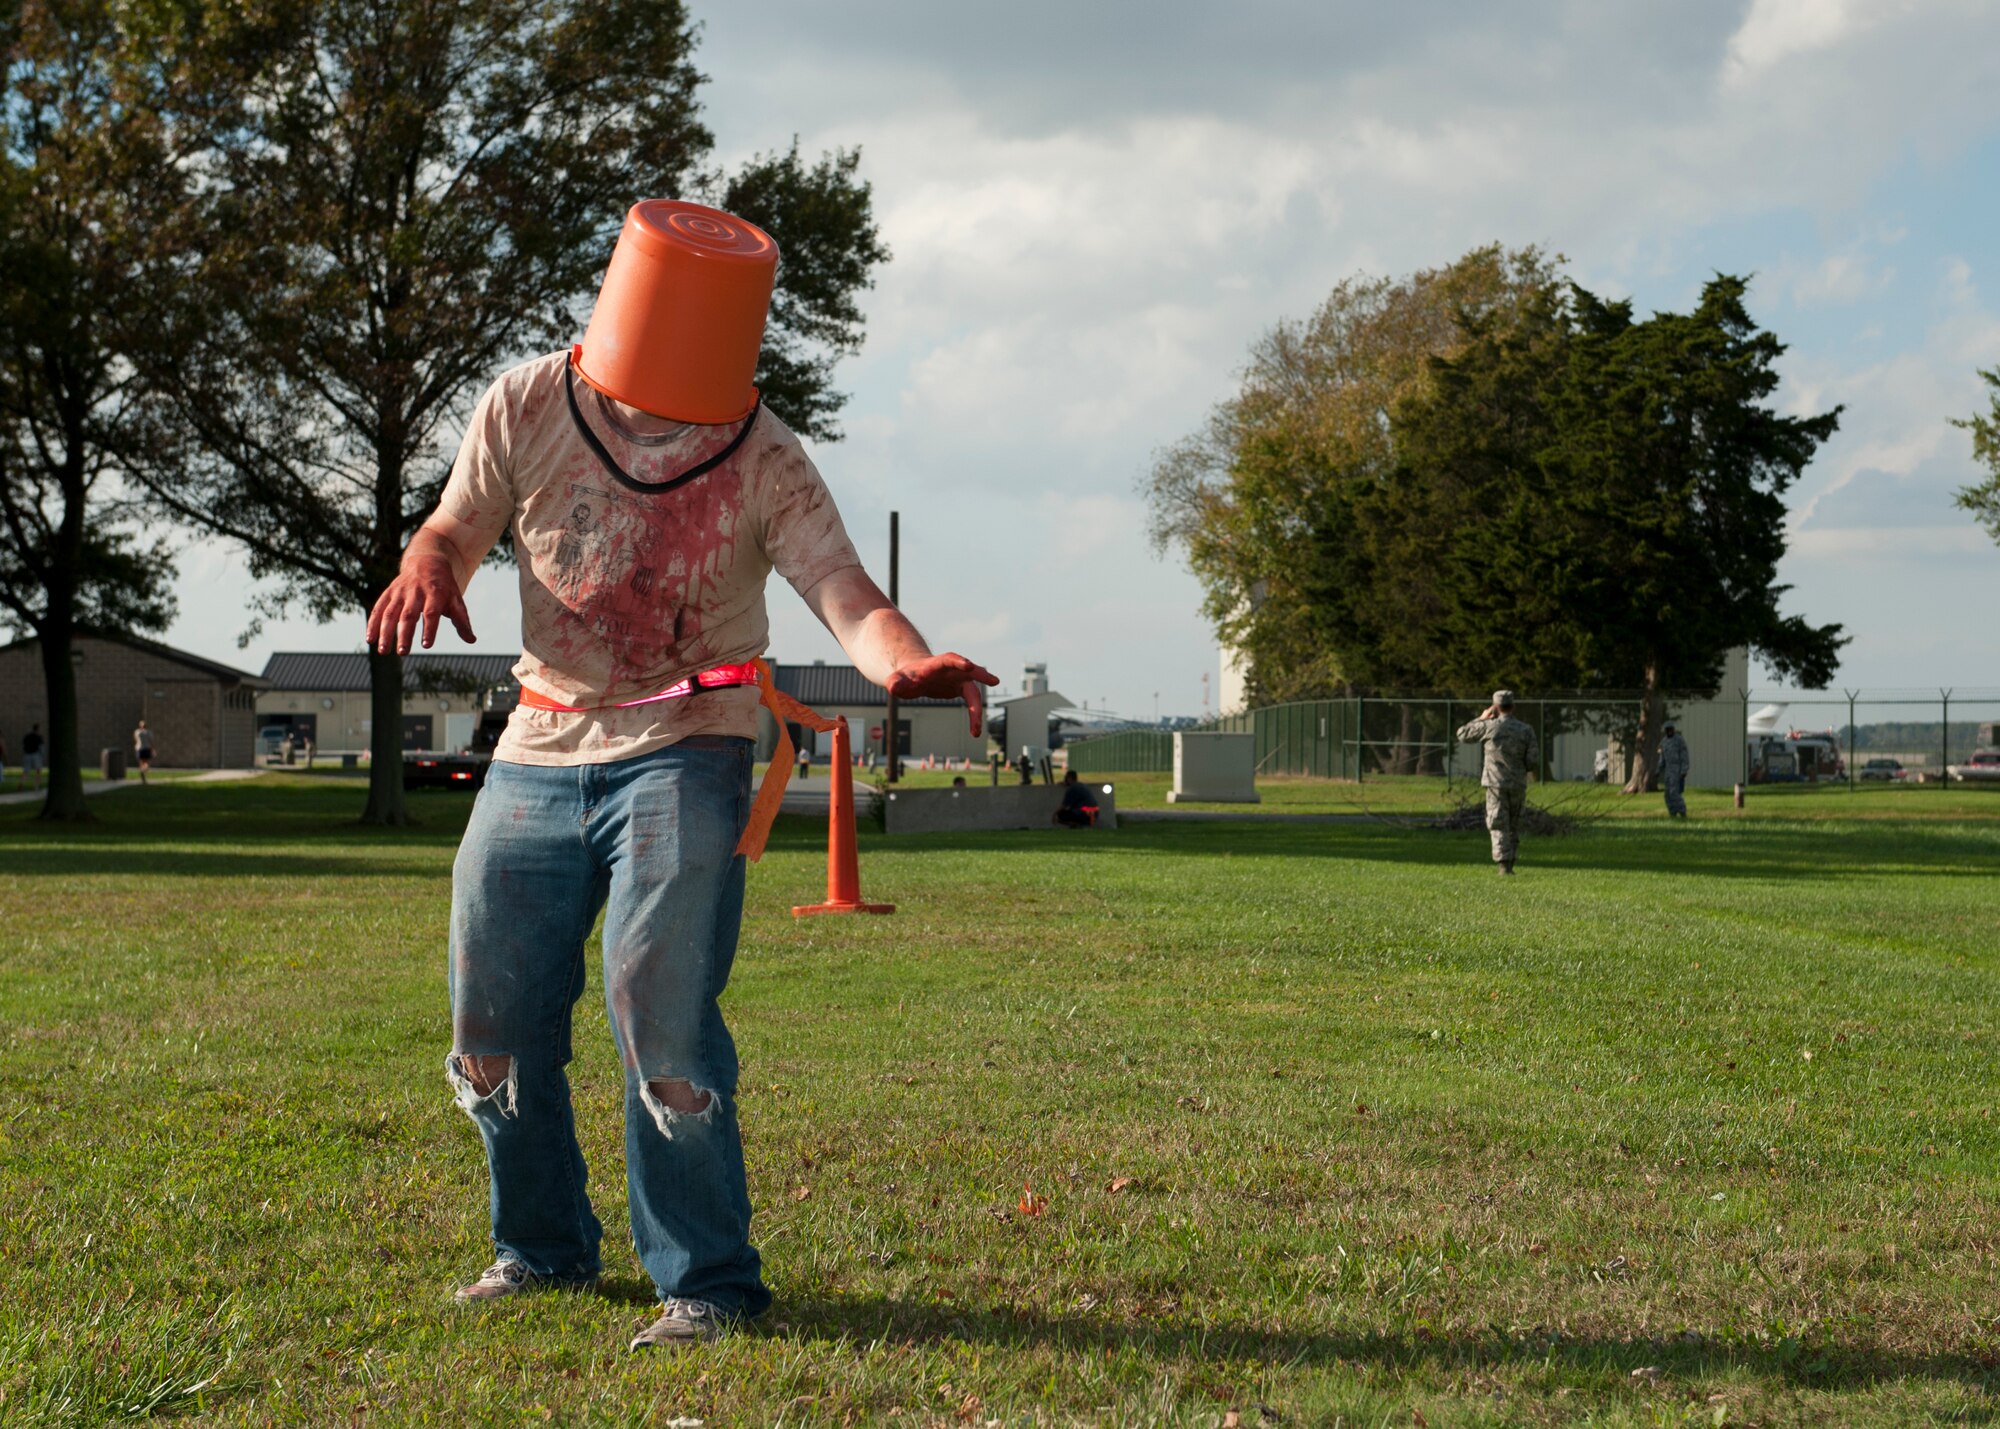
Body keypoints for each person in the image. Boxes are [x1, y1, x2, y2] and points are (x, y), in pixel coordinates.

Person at [364, 199, 995, 1355]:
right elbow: (452, 526)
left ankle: (705, 1280)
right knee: (489, 1021)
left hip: (688, 745)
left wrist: (903, 663)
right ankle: (541, 1251)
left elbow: (843, 590)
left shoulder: (764, 455)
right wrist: (424, 566)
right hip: (540, 744)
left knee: (657, 1004)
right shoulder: (524, 402)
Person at [1454, 690, 1536, 874]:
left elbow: (1462, 734)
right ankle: (1511, 861)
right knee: (1514, 824)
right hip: (1517, 783)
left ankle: (1503, 864)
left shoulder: (1489, 727)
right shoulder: (1526, 730)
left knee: (1498, 822)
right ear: (1513, 706)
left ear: (1496, 707)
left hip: (1494, 783)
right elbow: (1532, 761)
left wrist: (1481, 718)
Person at [1660, 721, 1691, 818]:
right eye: (1667, 730)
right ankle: (1672, 812)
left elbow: (1684, 756)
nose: (1669, 731)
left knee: (1675, 792)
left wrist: (1684, 770)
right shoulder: (1664, 742)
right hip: (1668, 771)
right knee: (1667, 794)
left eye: (1670, 729)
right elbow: (1662, 757)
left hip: (1677, 770)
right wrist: (1658, 769)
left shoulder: (1679, 740)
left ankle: (1682, 811)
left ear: (1673, 729)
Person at [21, 723, 45, 790]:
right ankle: (36, 786)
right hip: (35, 754)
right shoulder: (39, 737)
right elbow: (41, 747)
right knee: (38, 771)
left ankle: (22, 783)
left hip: (27, 754)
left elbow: (23, 746)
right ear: (38, 729)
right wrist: (43, 756)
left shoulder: (27, 736)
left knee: (26, 770)